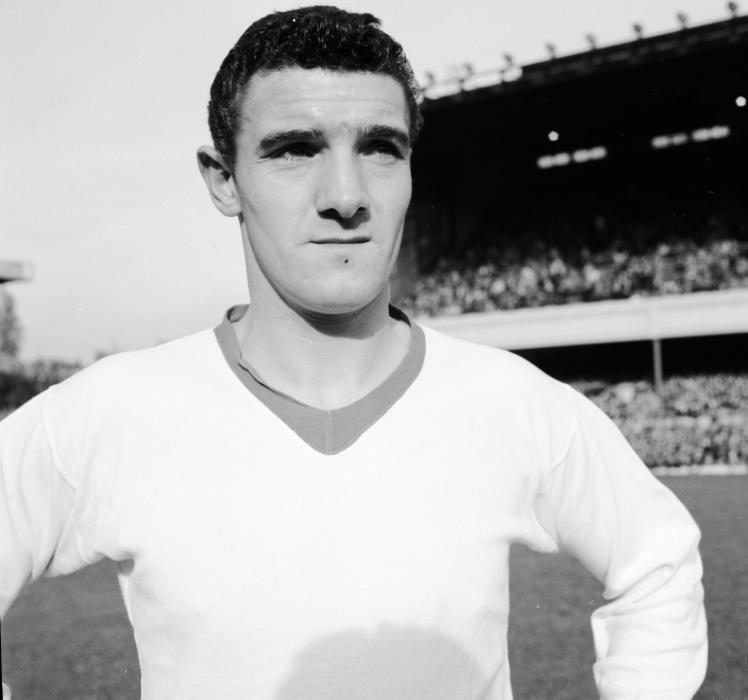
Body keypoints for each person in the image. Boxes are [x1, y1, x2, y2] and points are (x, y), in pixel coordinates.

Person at [0, 6, 707, 699]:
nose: (346, 196)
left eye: (379, 148)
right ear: (223, 180)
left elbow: (659, 562)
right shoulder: (111, 411)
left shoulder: (513, 400)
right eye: (295, 149)